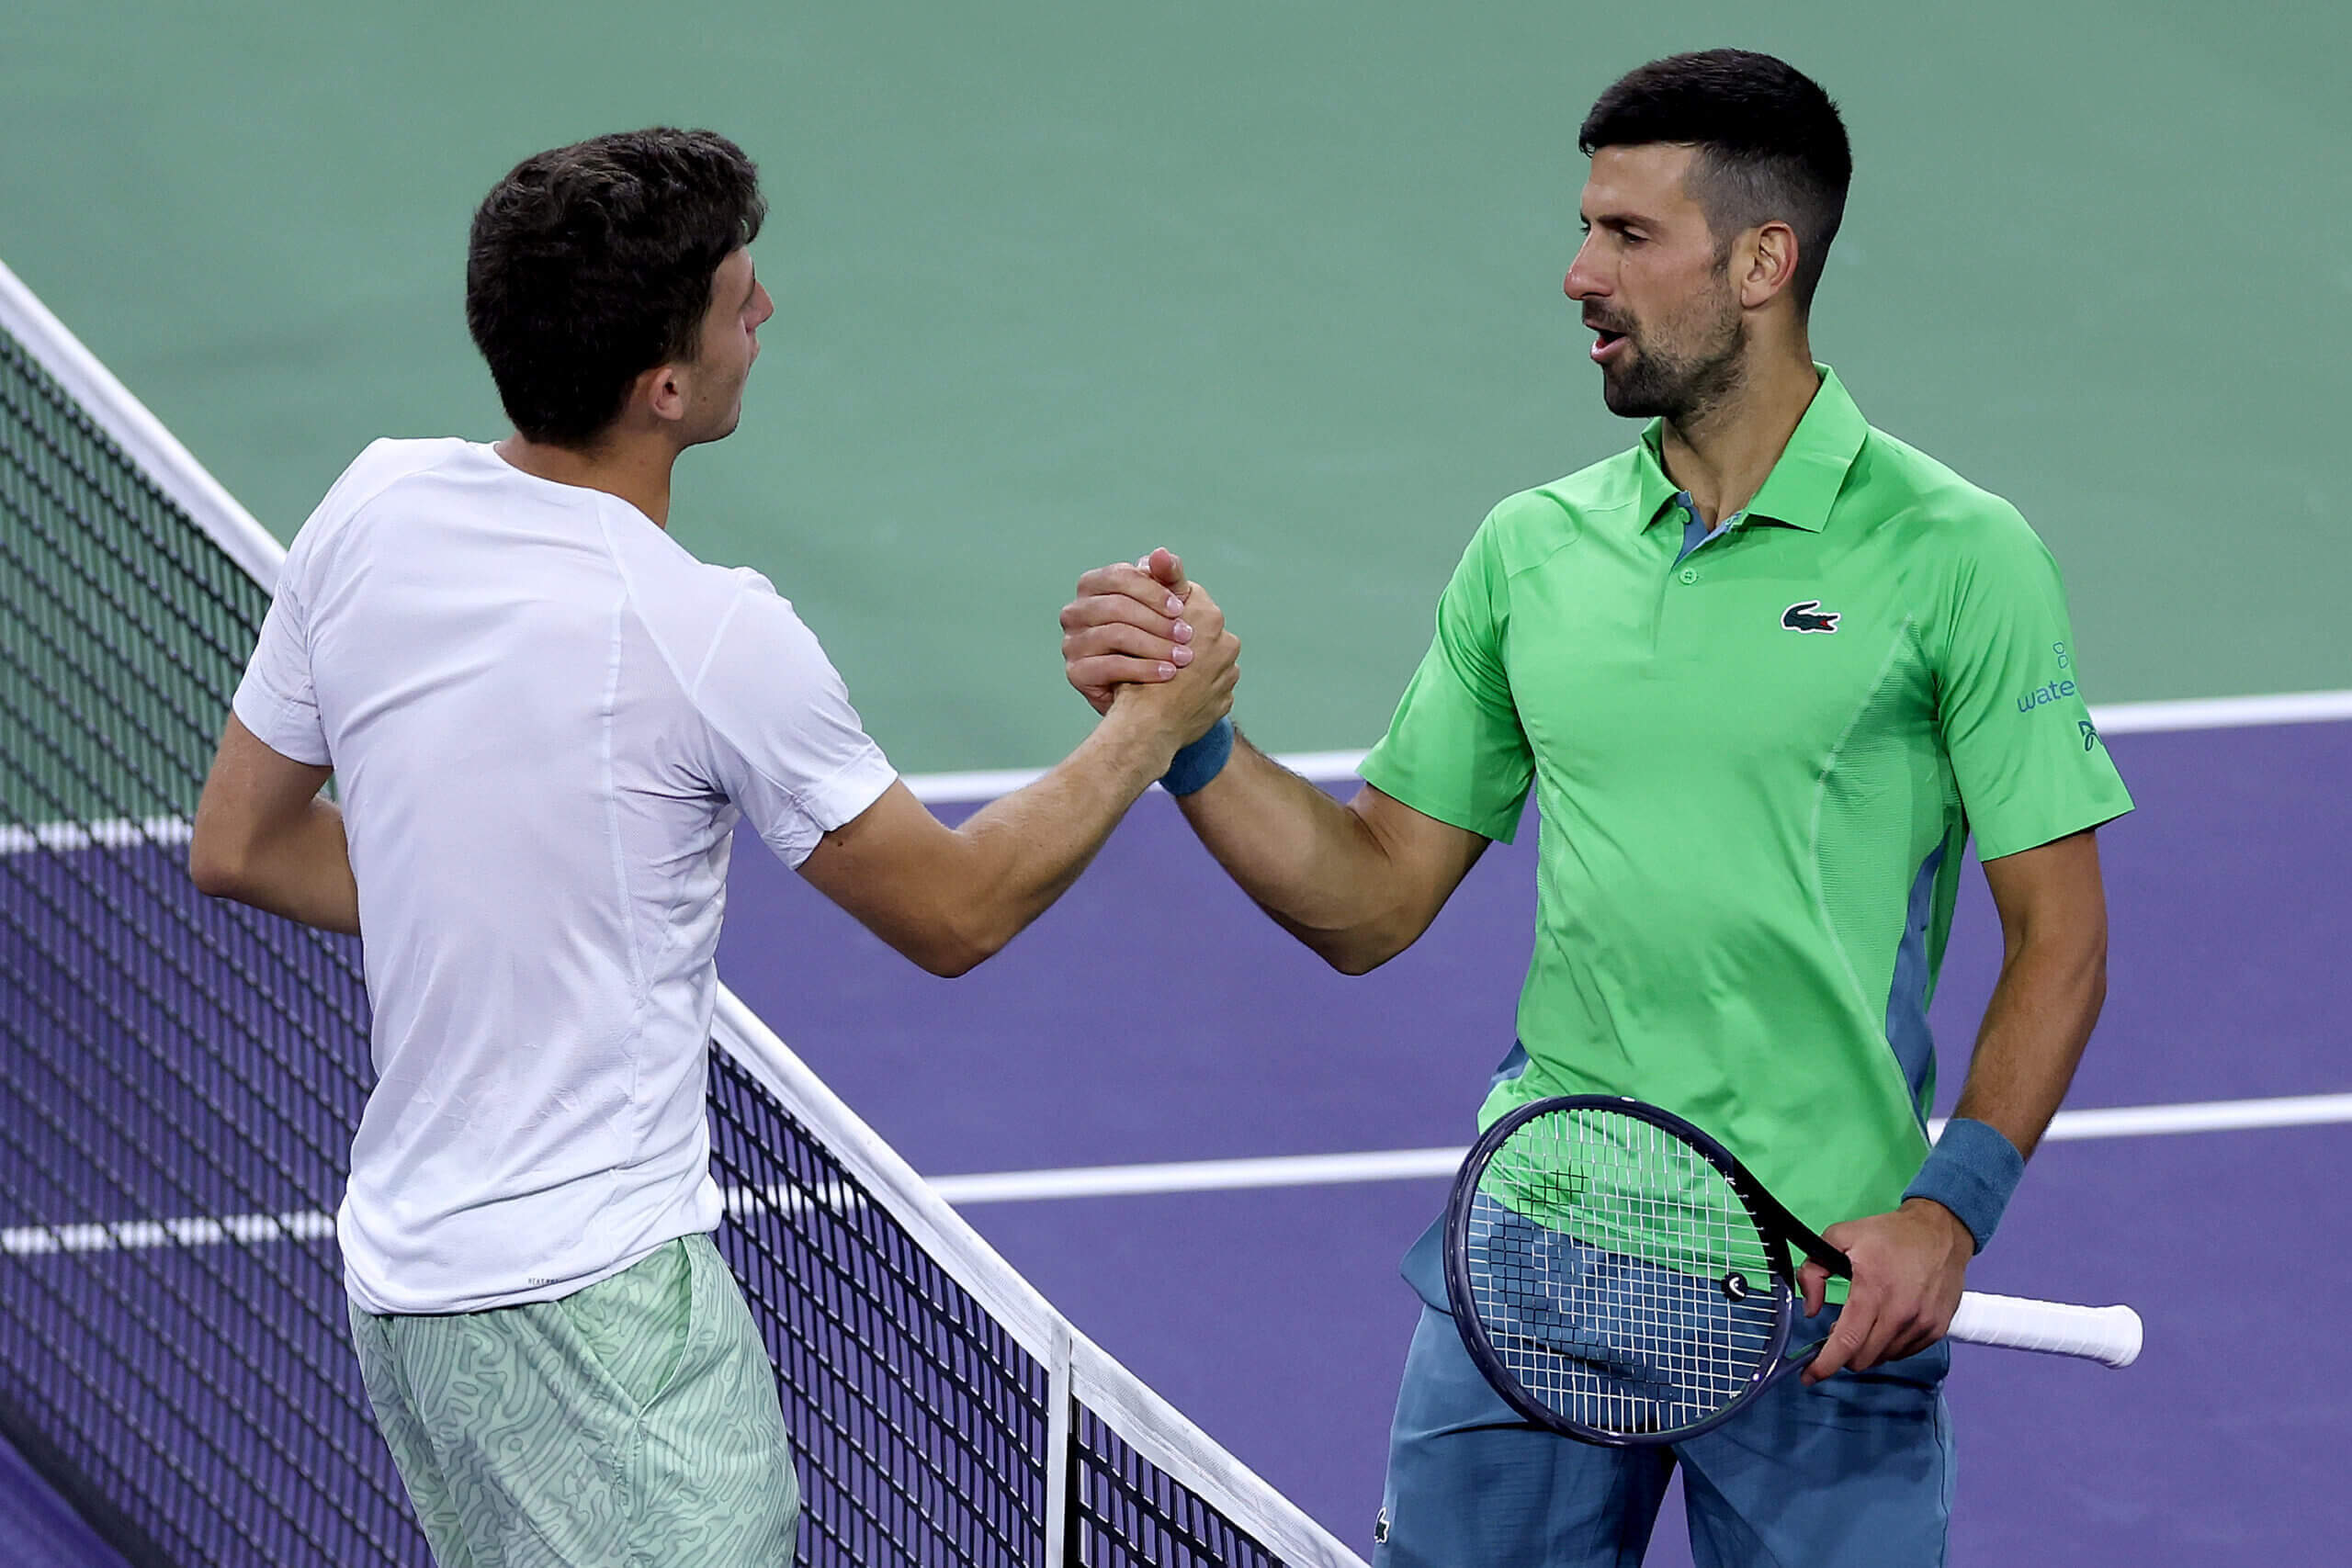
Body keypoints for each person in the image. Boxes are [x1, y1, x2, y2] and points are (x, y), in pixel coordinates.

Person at [1058, 50, 2131, 1567]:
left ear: (1764, 261)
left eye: (1629, 236)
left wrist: (1948, 1214)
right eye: (1585, 228)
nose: (1578, 273)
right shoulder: (1530, 552)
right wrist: (1188, 740)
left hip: (1816, 1294)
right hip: (1537, 1266)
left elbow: (2063, 937)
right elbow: (1371, 901)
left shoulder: (1962, 557)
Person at [187, 128, 1236, 1568]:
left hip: (410, 1299)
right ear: (663, 386)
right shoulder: (711, 633)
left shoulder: (374, 505)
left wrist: (507, 910)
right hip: (604, 1324)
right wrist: (1148, 729)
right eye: (741, 300)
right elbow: (956, 912)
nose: (768, 313)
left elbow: (239, 842)